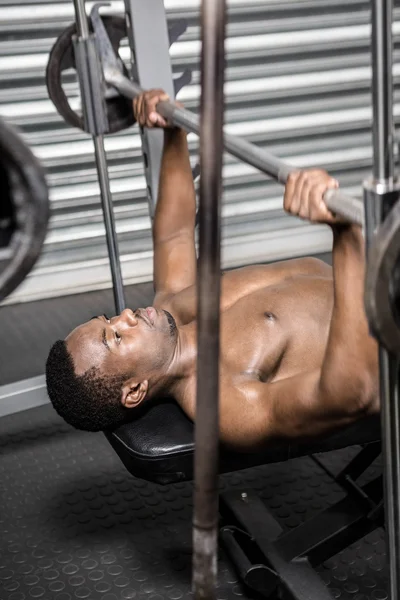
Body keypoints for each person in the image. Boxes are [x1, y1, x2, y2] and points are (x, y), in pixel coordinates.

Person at [45, 89, 379, 450]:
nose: (126, 315)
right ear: (135, 390)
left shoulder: (174, 304)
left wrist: (172, 130)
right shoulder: (226, 403)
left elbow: (174, 235)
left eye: (109, 319)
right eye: (117, 337)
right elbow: (351, 394)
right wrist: (346, 234)